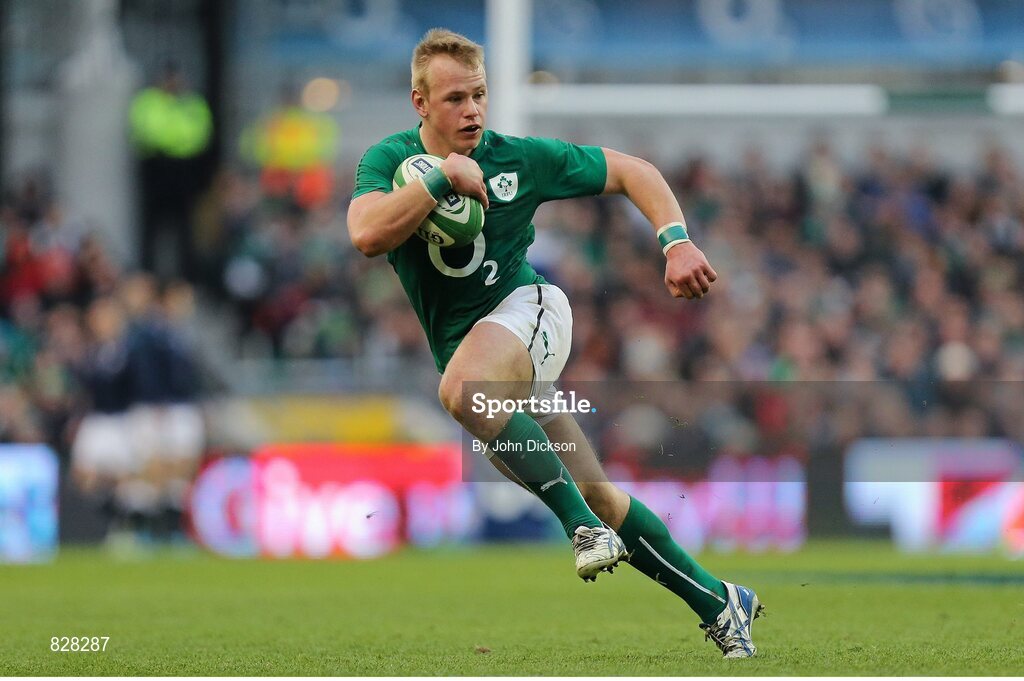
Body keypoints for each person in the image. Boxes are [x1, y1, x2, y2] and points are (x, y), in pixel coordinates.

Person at [347, 29, 763, 658]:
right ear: (419, 103)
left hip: (532, 311)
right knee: (592, 486)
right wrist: (438, 183)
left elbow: (632, 170)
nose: (472, 110)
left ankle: (581, 531)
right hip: (476, 345)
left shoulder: (520, 158)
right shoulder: (388, 161)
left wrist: (674, 240)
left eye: (479, 95)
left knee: (465, 392)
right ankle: (719, 601)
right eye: (455, 98)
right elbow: (365, 234)